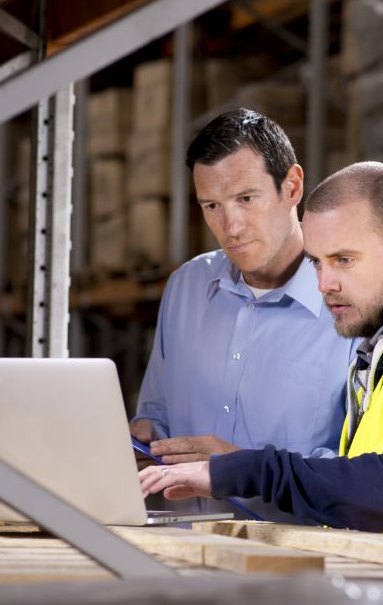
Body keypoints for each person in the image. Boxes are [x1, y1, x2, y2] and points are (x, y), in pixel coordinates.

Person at [139, 161, 383, 586]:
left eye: (343, 260)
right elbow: (357, 495)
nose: (324, 283)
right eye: (317, 262)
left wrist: (241, 469)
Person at [129, 109, 356, 522]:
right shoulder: (186, 288)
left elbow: (362, 473)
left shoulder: (350, 304)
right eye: (211, 205)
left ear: (292, 186)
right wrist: (144, 440)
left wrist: (241, 466)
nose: (230, 226)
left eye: (246, 199)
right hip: (185, 552)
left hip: (301, 564)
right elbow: (156, 414)